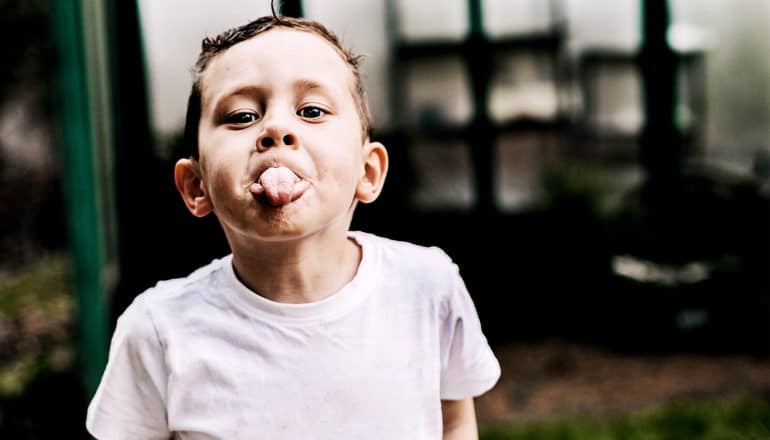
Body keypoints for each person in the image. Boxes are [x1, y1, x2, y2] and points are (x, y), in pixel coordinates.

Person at [86, 12, 500, 439]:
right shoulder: (158, 330)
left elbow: (454, 416)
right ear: (196, 186)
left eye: (312, 110)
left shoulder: (428, 287)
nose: (277, 129)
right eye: (243, 116)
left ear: (368, 171)